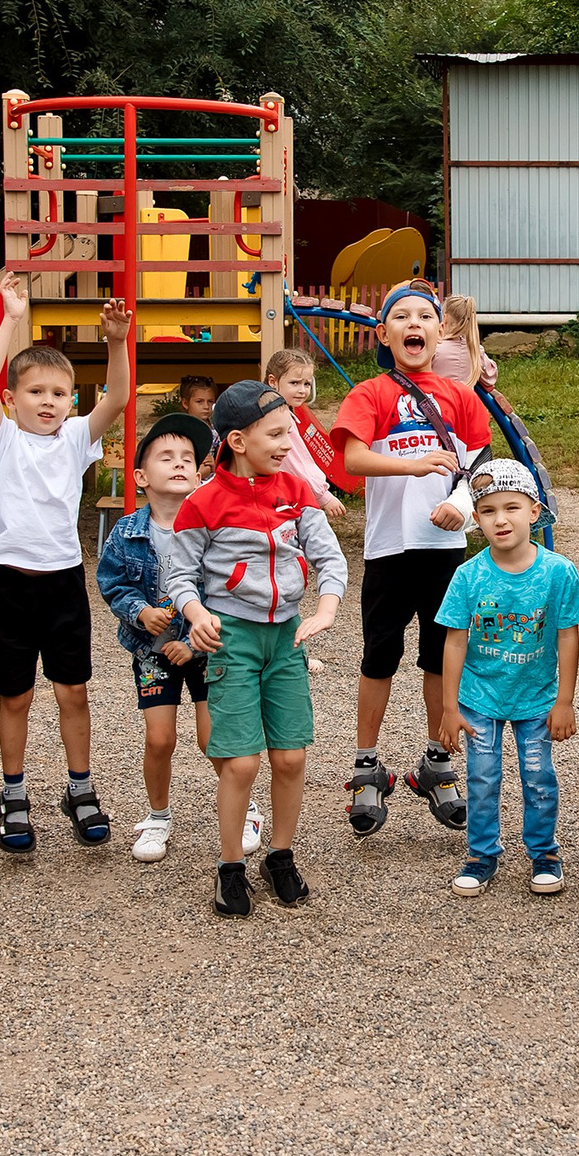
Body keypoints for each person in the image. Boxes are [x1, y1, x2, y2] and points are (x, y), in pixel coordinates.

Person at [164, 381, 349, 917]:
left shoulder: (296, 489)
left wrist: (326, 610)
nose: (289, 442)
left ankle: (281, 855)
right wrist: (196, 615)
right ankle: (230, 867)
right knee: (240, 764)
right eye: (277, 433)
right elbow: (179, 573)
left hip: (286, 635)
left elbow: (331, 559)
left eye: (289, 430)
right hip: (233, 639)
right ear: (239, 440)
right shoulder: (204, 502)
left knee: (291, 756)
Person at [0, 277, 133, 856]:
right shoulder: (2, 439)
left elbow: (115, 398)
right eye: (35, 391)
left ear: (70, 400)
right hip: (10, 586)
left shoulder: (75, 440)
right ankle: (13, 793)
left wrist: (116, 342)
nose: (48, 402)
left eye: (59, 393)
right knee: (15, 696)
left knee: (73, 692)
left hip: (63, 585)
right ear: (15, 400)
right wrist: (11, 318)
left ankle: (80, 788)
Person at [328, 282, 490, 834]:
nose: (414, 323)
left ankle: (437, 761)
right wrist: (413, 467)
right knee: (379, 655)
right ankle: (367, 763)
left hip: (445, 548)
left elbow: (478, 464)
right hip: (389, 546)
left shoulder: (460, 396)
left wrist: (460, 502)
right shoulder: (370, 393)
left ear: (440, 332)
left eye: (426, 316)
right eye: (402, 316)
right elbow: (352, 457)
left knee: (439, 656)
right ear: (385, 333)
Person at [434, 459, 579, 897]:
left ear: (534, 511)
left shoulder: (559, 572)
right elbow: (454, 642)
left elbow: (567, 637)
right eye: (487, 510)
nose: (500, 519)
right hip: (478, 696)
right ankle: (481, 855)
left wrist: (565, 700)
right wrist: (449, 708)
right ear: (476, 518)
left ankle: (544, 853)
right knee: (482, 775)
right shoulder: (468, 575)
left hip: (538, 697)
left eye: (512, 507)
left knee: (539, 775)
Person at [95, 412, 230, 863]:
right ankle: (158, 817)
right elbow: (112, 582)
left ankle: (242, 807)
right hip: (152, 652)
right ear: (140, 476)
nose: (178, 465)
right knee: (159, 738)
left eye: (188, 458)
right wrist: (140, 611)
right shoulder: (126, 532)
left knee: (215, 739)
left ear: (199, 472)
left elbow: (227, 589)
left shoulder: (213, 529)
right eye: (165, 457)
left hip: (206, 648)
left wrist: (192, 639)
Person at [266, 347, 351, 519]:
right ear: (273, 382)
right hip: (285, 494)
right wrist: (323, 495)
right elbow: (295, 461)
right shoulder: (280, 418)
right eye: (294, 383)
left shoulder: (275, 410)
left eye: (307, 384)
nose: (302, 390)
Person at [432, 293, 498, 388]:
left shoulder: (435, 349)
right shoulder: (475, 350)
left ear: (445, 318)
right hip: (467, 401)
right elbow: (490, 378)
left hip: (439, 401)